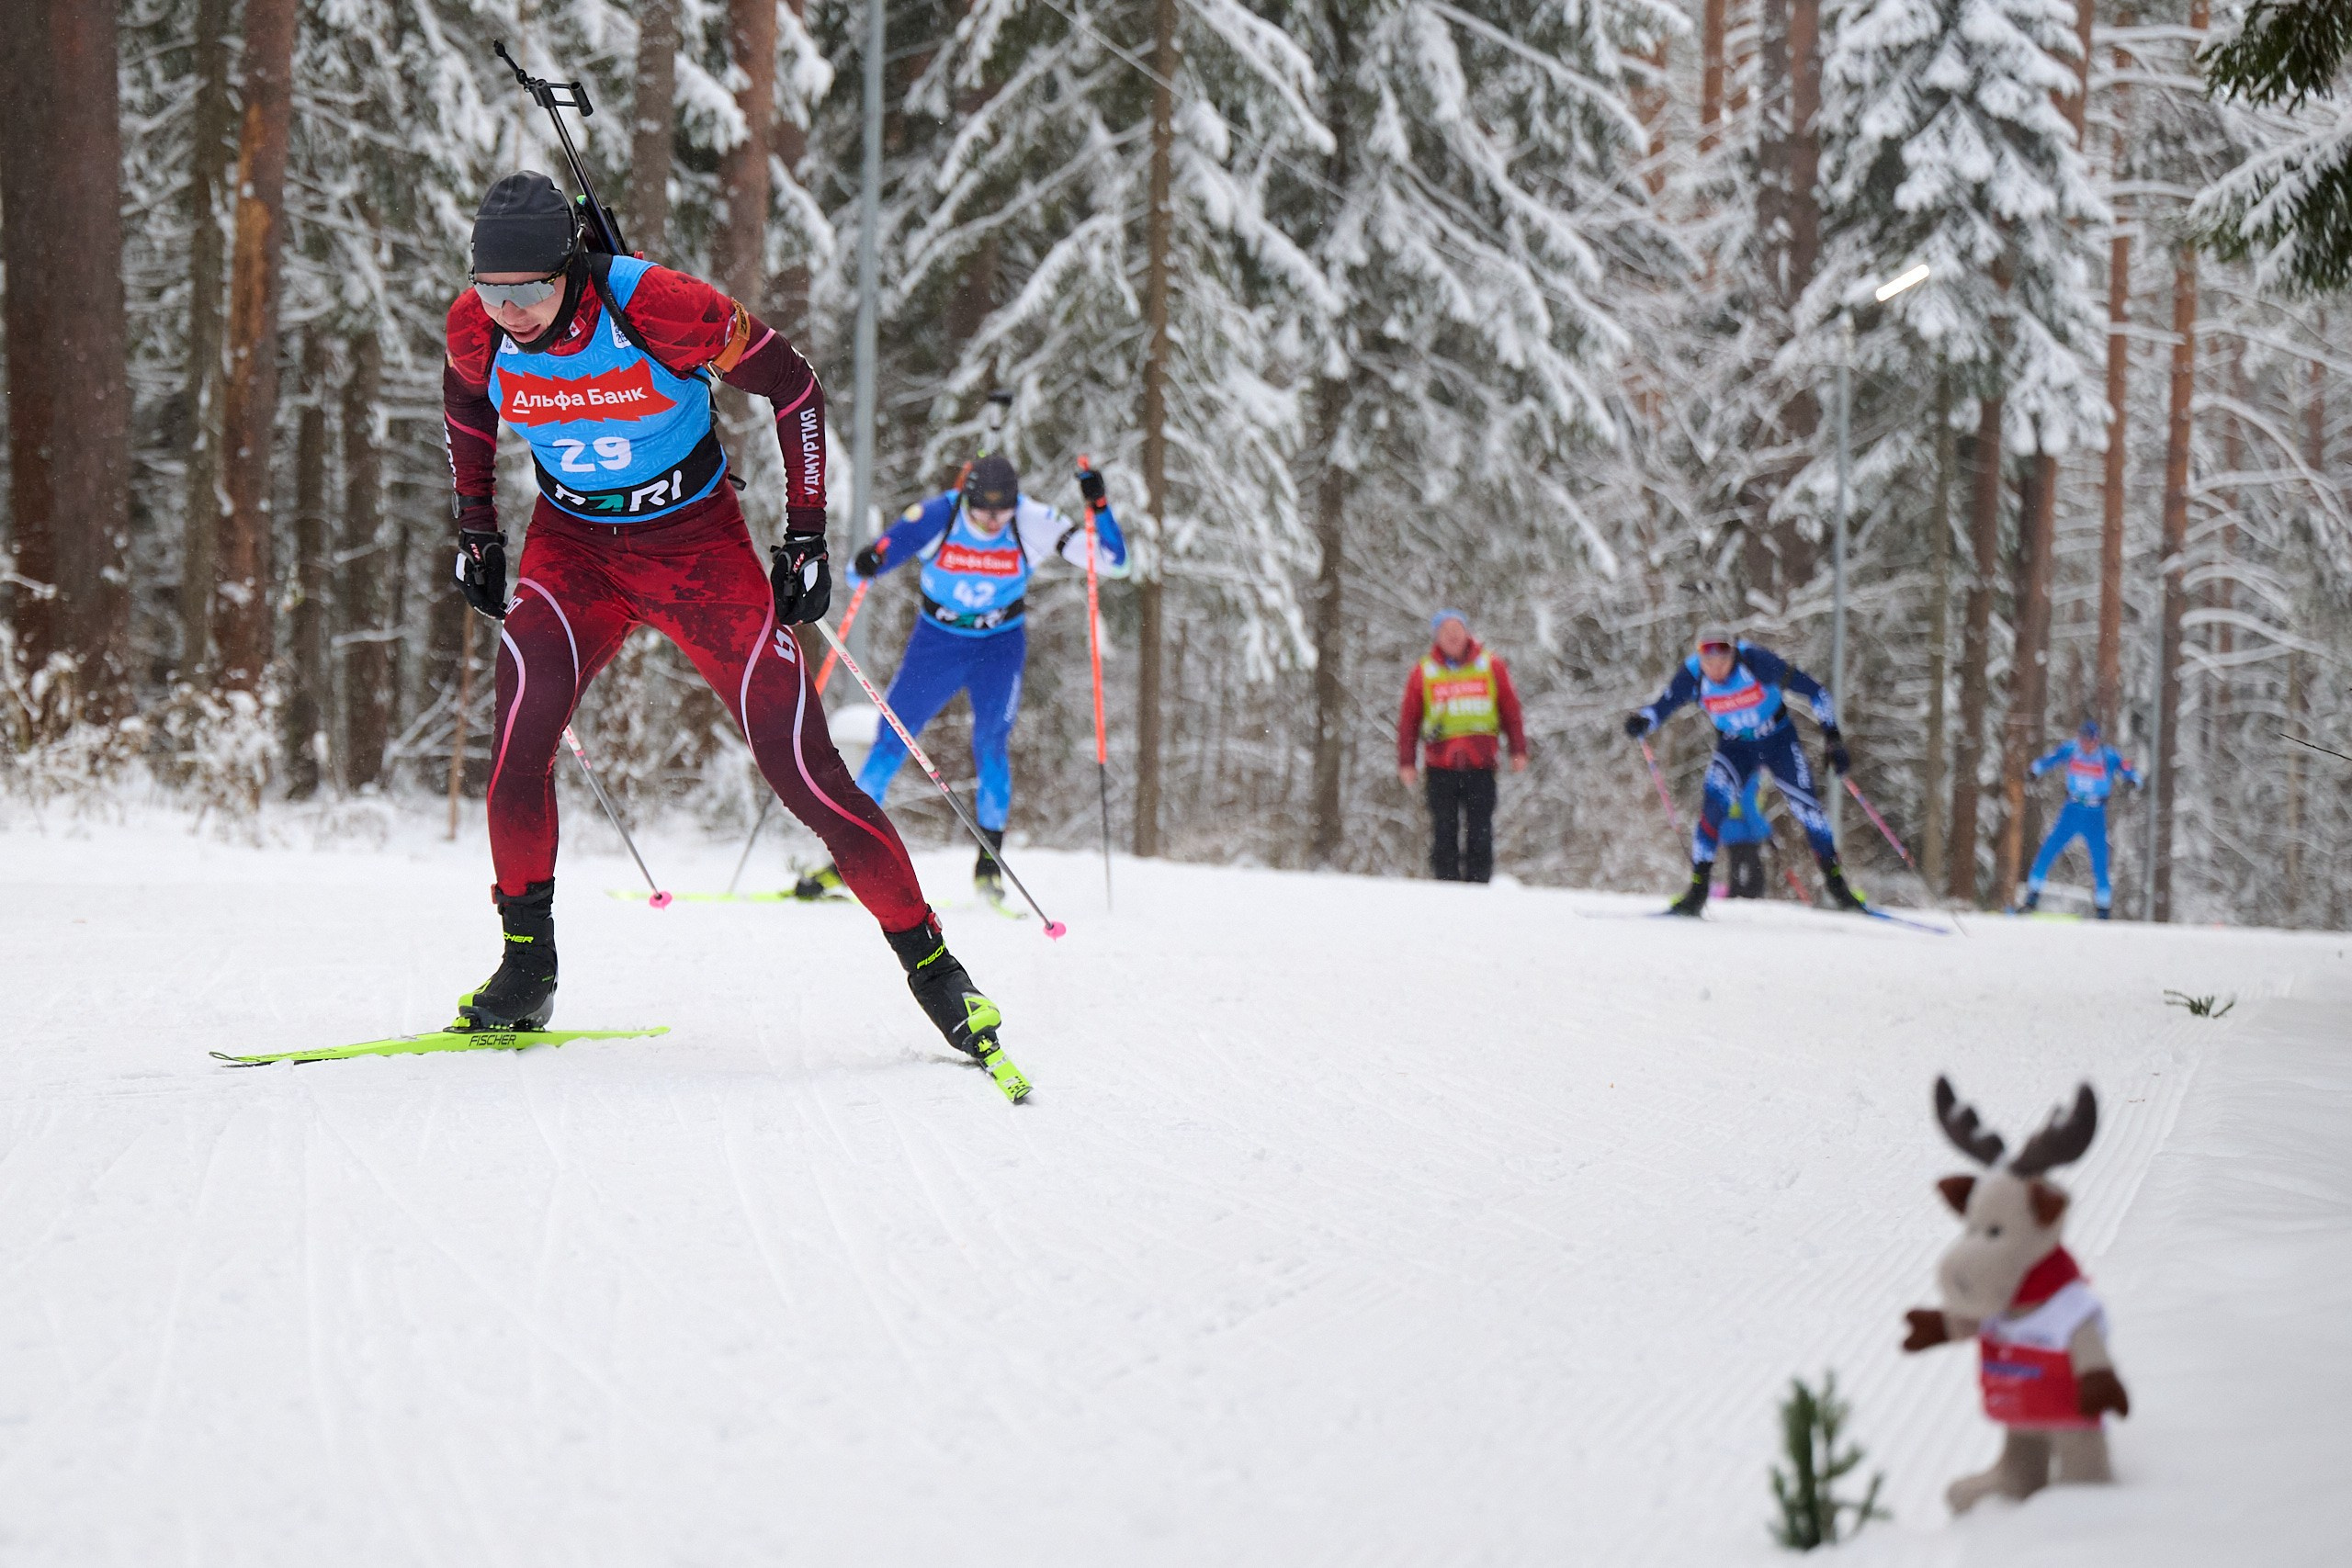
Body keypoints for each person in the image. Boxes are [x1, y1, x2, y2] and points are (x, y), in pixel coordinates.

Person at [442, 171, 1004, 1069]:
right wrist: (478, 526)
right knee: (515, 747)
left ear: (570, 268)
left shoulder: (655, 305)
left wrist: (806, 536)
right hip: (572, 552)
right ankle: (526, 970)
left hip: (696, 551)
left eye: (530, 290)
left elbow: (794, 388)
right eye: (491, 291)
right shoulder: (476, 327)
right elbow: (466, 402)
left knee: (805, 772)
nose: (509, 313)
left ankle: (936, 970)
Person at [794, 451, 1127, 903]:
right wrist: (872, 560)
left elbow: (1114, 562)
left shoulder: (1032, 519)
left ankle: (989, 869)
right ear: (966, 498)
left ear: (1014, 503)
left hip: (999, 647)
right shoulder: (938, 515)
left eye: (1001, 511)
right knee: (891, 739)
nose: (991, 521)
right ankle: (849, 862)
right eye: (981, 510)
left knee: (991, 745)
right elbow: (863, 567)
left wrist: (1099, 506)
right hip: (937, 645)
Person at [1624, 627, 1866, 916]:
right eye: (1708, 660)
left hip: (1778, 740)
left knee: (1807, 809)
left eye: (1722, 659)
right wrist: (1643, 721)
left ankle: (1838, 888)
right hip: (1735, 747)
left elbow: (1816, 692)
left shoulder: (1756, 662)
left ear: (1734, 653)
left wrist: (1833, 738)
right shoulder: (1693, 674)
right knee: (1713, 807)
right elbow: (1663, 706)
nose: (1715, 667)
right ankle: (1697, 892)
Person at [1396, 610, 1529, 883]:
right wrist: (1406, 762)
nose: (1453, 636)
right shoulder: (1424, 670)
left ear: (1467, 632)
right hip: (1440, 764)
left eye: (1457, 630)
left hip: (1481, 763)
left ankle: (1478, 886)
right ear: (1437, 637)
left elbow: (1511, 709)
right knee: (1444, 828)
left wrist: (1518, 750)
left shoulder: (1490, 665)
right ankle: (1447, 887)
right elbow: (1409, 719)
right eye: (1446, 631)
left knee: (1480, 828)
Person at [2020, 718, 2140, 918]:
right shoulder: (2071, 750)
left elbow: (2129, 770)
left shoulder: (2107, 756)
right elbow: (2049, 759)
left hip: (2095, 815)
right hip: (2072, 811)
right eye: (2082, 740)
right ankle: (2031, 899)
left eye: (2089, 741)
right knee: (2048, 851)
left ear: (2096, 740)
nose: (2085, 745)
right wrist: (2034, 770)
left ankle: (2103, 910)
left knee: (2100, 862)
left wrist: (2132, 781)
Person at [1721, 773, 1774, 898]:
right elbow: (1749, 806)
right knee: (1754, 871)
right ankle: (1748, 895)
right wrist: (1766, 832)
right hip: (1743, 833)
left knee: (1737, 867)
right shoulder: (1752, 778)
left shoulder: (1742, 773)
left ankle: (1736, 893)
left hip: (1732, 830)